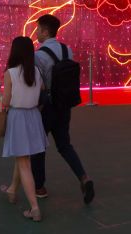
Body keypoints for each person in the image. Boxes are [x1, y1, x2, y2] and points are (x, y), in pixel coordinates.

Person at [31, 14, 94, 204]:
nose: (36, 32)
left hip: (46, 106)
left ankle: (39, 187)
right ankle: (84, 177)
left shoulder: (39, 55)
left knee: (38, 147)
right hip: (64, 104)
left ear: (45, 31)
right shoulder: (68, 50)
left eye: (38, 29)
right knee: (65, 145)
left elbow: (37, 83)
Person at [0, 36, 47, 222]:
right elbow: (42, 90)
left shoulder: (10, 73)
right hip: (34, 117)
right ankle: (12, 189)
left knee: (24, 163)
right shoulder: (35, 71)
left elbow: (5, 101)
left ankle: (34, 208)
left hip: (18, 117)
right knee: (24, 158)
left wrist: (3, 97)